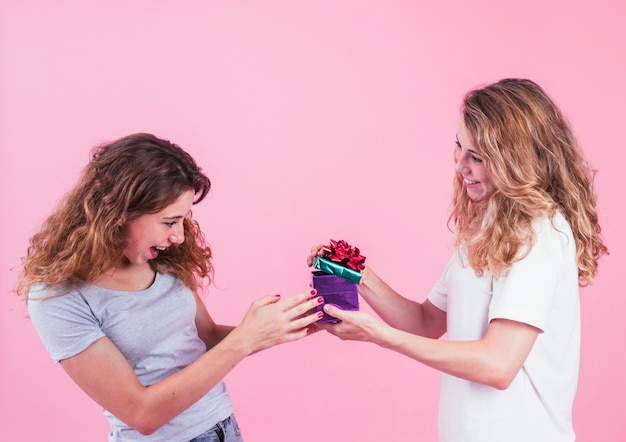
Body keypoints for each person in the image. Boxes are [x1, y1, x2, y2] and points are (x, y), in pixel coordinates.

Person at [307, 78, 608, 441]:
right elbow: (426, 321)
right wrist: (356, 274)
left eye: (477, 157)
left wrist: (380, 337)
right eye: (459, 149)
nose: (460, 166)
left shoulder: (539, 234)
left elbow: (498, 365)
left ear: (517, 162)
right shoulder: (488, 229)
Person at [17, 133, 324, 442]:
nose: (179, 236)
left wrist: (298, 320)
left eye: (183, 219)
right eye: (169, 222)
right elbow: (141, 414)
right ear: (120, 212)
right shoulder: (58, 296)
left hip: (224, 429)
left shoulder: (163, 258)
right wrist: (244, 339)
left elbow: (205, 337)